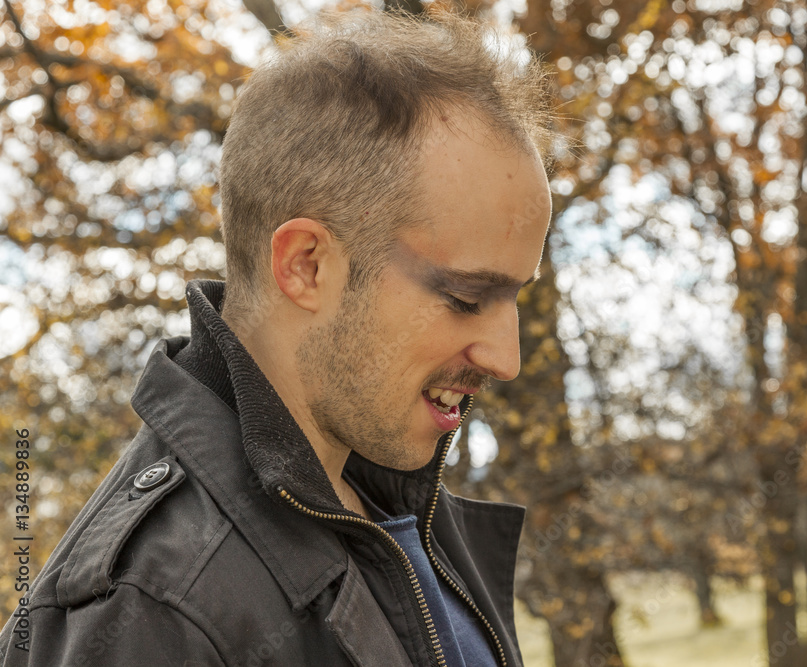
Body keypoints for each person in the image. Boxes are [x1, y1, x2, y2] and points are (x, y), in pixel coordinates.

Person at [0, 6, 555, 666]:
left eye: (515, 297)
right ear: (306, 265)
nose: (506, 359)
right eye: (466, 298)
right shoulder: (154, 607)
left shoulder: (395, 500)